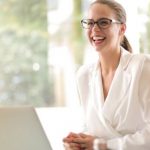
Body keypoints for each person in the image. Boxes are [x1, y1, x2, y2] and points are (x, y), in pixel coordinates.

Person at [63, 0, 150, 150]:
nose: (94, 29)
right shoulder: (83, 75)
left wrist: (104, 146)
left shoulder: (142, 67)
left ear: (122, 29)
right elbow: (90, 127)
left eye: (103, 22)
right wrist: (78, 142)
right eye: (90, 23)